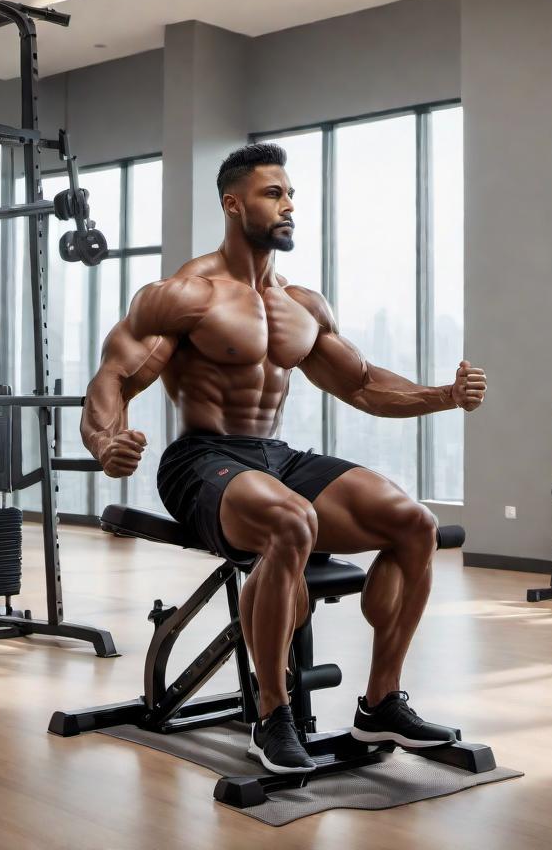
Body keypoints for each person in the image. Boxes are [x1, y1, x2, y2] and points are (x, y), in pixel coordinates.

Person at [80, 142, 487, 775]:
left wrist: (444, 395)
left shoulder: (302, 304)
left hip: (273, 455)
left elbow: (361, 385)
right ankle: (272, 716)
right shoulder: (186, 294)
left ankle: (380, 703)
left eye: (292, 194)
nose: (289, 205)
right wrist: (108, 442)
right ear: (233, 203)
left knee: (415, 524)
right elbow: (114, 378)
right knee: (290, 522)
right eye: (275, 194)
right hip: (200, 460)